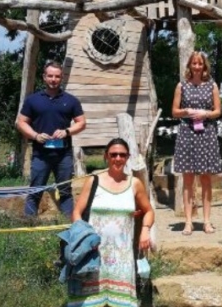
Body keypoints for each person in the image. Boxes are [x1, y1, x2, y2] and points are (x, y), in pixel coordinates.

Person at [68, 138, 154, 307]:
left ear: (128, 157)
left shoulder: (135, 184)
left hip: (122, 256)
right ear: (106, 156)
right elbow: (76, 212)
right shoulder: (93, 181)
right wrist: (83, 237)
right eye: (113, 154)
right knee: (90, 301)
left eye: (122, 155)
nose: (118, 158)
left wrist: (145, 229)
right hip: (93, 254)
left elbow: (149, 211)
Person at [16, 61, 86, 217]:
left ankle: (70, 225)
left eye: (57, 76)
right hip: (40, 155)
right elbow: (21, 122)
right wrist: (35, 135)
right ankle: (28, 225)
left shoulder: (71, 100)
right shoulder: (33, 100)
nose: (53, 79)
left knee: (65, 191)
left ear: (61, 78)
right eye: (50, 76)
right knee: (35, 192)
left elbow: (82, 123)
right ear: (44, 77)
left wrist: (67, 131)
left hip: (64, 155)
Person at [171, 51, 222, 235]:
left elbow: (217, 111)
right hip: (187, 133)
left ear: (204, 66)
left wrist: (205, 113)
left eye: (200, 63)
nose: (197, 67)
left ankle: (207, 221)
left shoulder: (212, 85)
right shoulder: (181, 85)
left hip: (206, 133)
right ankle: (188, 222)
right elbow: (174, 111)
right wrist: (187, 111)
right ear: (190, 65)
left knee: (206, 179)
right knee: (187, 179)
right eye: (194, 63)